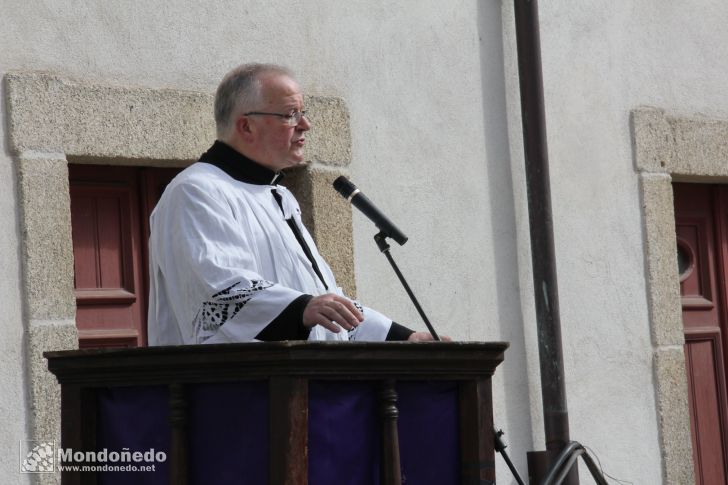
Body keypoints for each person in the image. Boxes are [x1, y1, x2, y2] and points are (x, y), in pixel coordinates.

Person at [148, 63, 436, 345]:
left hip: (305, 382)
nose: (305, 125)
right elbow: (220, 292)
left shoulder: (278, 195)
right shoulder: (197, 191)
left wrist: (404, 337)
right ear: (246, 126)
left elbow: (326, 303)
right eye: (290, 114)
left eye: (303, 113)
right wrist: (302, 309)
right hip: (231, 387)